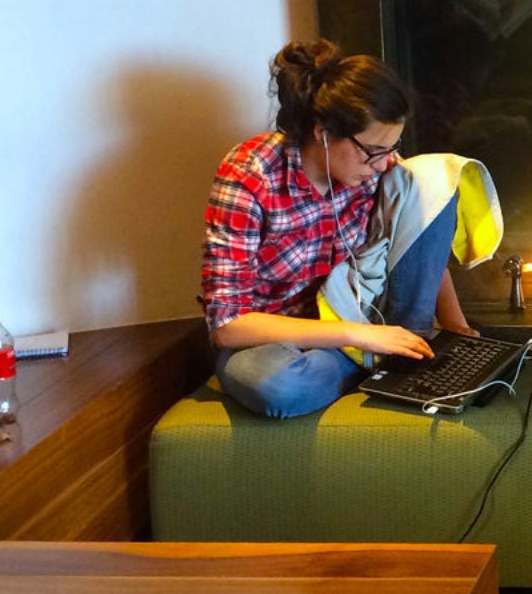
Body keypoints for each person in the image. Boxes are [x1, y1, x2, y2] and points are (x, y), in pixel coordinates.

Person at [200, 40, 476, 418]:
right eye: (374, 151)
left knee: (430, 178)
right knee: (276, 386)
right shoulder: (249, 176)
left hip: (364, 312)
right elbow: (228, 325)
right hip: (278, 339)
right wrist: (356, 335)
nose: (383, 164)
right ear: (323, 132)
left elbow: (420, 232)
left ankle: (405, 349)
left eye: (391, 147)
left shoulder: (376, 164)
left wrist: (457, 328)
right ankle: (388, 363)